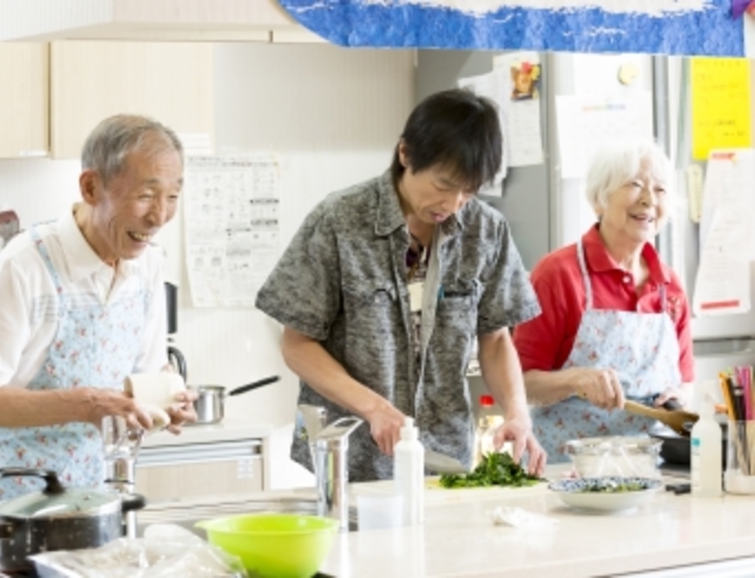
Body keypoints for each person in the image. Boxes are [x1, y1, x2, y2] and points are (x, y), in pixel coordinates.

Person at [256, 88, 546, 482]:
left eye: (469, 190)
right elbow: (297, 344)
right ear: (405, 154)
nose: (454, 202)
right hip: (350, 458)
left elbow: (494, 339)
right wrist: (373, 408)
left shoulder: (486, 230)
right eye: (444, 185)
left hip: (443, 457)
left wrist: (517, 413)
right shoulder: (340, 220)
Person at [0, 114, 197, 510]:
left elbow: (149, 370)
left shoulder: (149, 264)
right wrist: (86, 404)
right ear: (90, 187)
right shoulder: (27, 265)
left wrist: (170, 398)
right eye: (145, 194)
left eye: (172, 196)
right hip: (16, 499)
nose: (159, 216)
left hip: (100, 493)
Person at [512, 140, 694, 463]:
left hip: (651, 474)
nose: (649, 200)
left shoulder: (671, 287)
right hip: (564, 475)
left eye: (660, 189)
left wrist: (678, 397)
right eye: (635, 184)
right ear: (599, 199)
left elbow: (685, 381)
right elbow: (518, 384)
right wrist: (575, 380)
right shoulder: (557, 275)